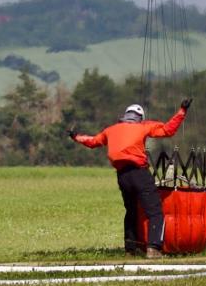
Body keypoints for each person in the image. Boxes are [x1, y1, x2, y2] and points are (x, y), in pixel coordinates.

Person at [70, 99, 190, 257]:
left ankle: (130, 249)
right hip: (139, 173)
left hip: (122, 176)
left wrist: (76, 137)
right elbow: (168, 130)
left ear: (125, 115)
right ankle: (154, 249)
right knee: (155, 212)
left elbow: (92, 142)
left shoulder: (110, 130)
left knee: (131, 211)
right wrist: (182, 111)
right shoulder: (143, 126)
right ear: (140, 117)